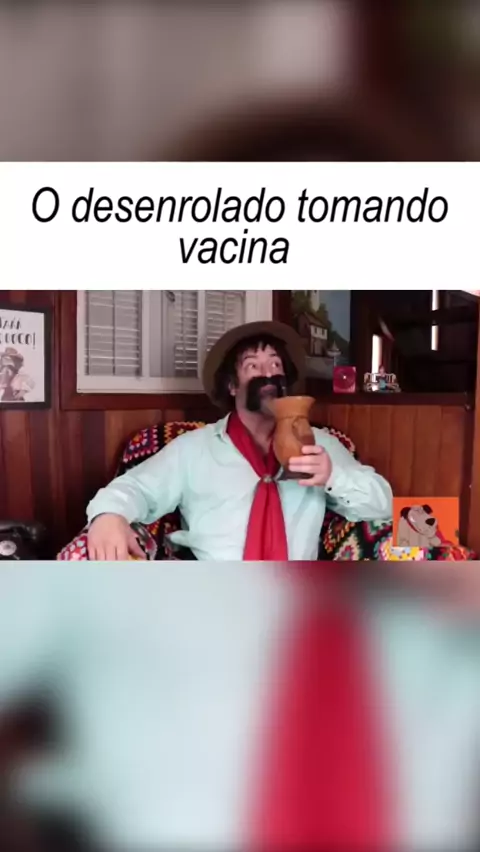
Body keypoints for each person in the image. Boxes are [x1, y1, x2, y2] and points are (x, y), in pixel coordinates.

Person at [86, 321, 392, 561]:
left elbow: (383, 503)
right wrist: (109, 515)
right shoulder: (193, 449)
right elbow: (135, 488)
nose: (268, 373)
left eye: (275, 365)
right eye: (253, 366)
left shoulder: (319, 446)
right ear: (232, 386)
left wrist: (332, 477)